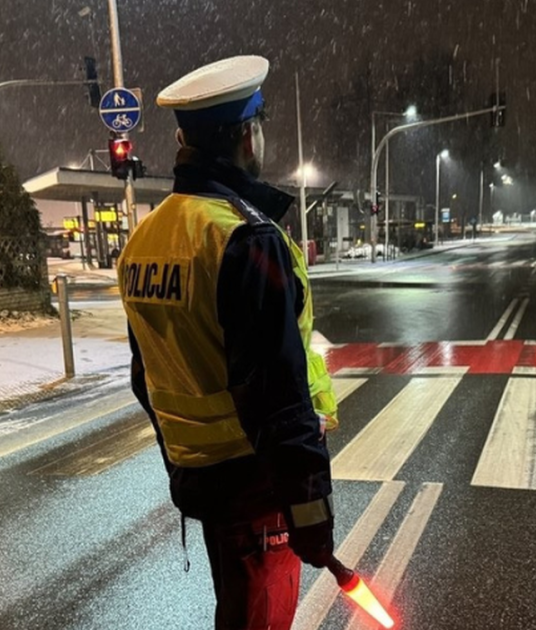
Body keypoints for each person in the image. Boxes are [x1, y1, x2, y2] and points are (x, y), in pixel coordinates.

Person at [117, 55, 340, 630]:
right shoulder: (243, 238)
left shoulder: (146, 238)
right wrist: (312, 517)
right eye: (259, 123)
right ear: (247, 134)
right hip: (255, 486)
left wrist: (186, 461)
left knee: (237, 613)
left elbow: (147, 377)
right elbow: (279, 398)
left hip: (202, 482)